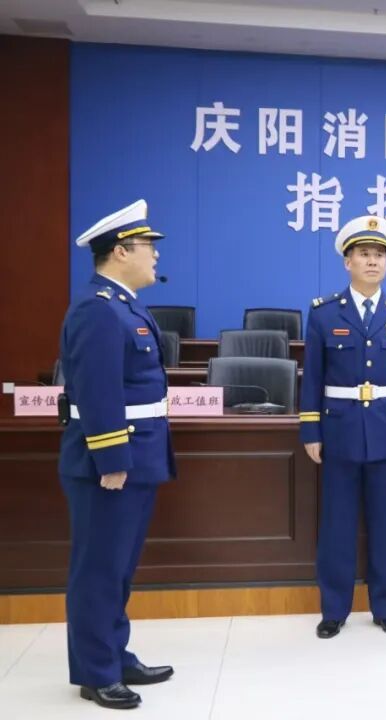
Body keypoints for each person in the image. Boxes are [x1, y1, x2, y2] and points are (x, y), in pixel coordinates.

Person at [58, 199, 176, 710]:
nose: (155, 255)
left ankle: (115, 654)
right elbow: (97, 392)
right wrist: (111, 460)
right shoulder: (98, 308)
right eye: (148, 246)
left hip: (138, 455)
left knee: (120, 566)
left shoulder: (124, 304)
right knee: (99, 569)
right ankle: (96, 672)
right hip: (109, 464)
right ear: (121, 250)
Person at [299, 215, 386, 639]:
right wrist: (311, 430)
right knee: (336, 525)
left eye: (380, 255)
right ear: (347, 262)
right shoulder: (323, 313)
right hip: (339, 431)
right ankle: (334, 609)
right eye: (364, 254)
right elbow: (312, 377)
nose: (373, 261)